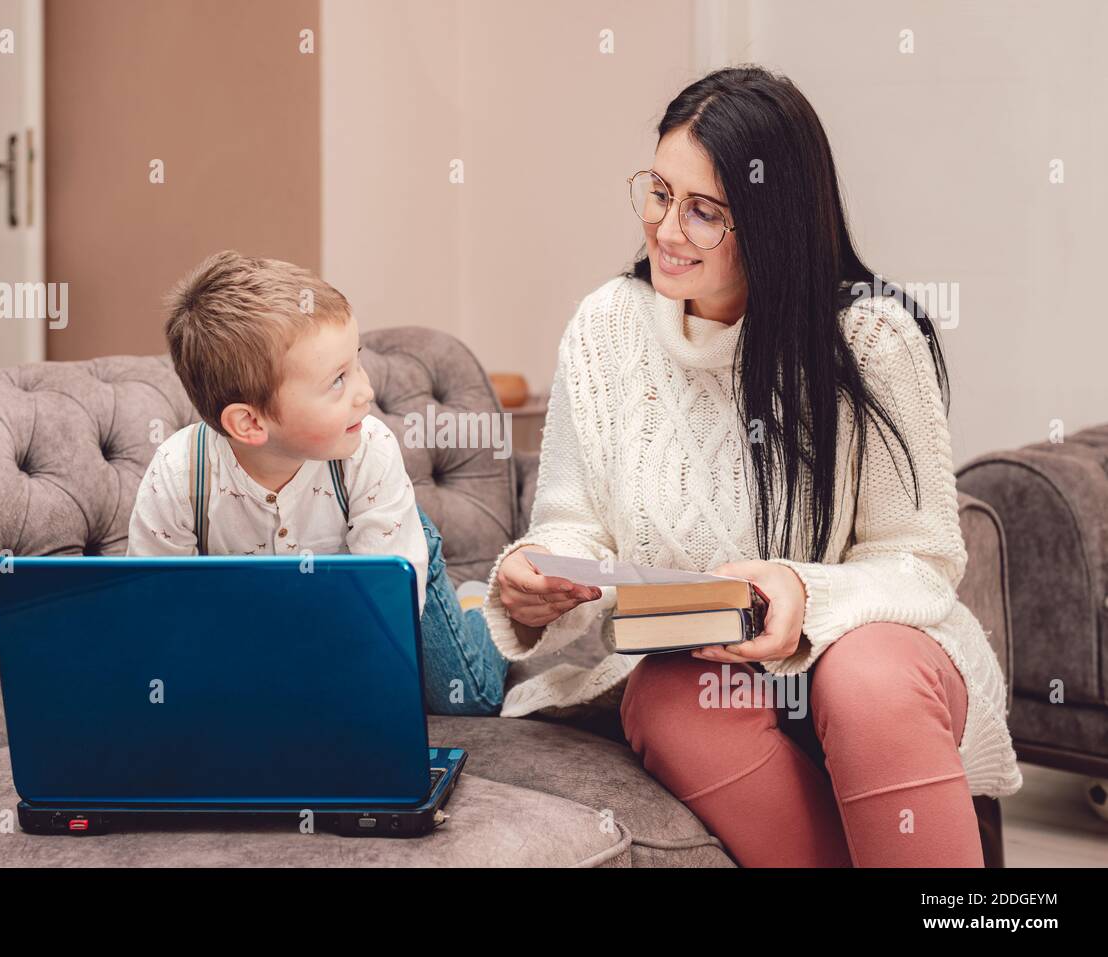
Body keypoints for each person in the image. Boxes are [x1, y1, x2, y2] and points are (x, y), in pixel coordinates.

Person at [483, 65, 1022, 867]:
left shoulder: (872, 340)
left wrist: (805, 595)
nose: (666, 230)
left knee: (862, 676)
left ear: (772, 222)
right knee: (670, 699)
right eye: (659, 193)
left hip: (869, 652)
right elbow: (573, 522)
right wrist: (536, 580)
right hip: (703, 664)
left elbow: (923, 560)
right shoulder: (606, 329)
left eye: (705, 213)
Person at [127, 251, 508, 716]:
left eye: (357, 364)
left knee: (470, 696)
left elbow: (384, 615)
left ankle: (477, 613)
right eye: (337, 381)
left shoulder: (368, 448)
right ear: (249, 422)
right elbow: (157, 608)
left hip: (386, 574)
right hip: (269, 624)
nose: (365, 391)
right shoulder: (179, 473)